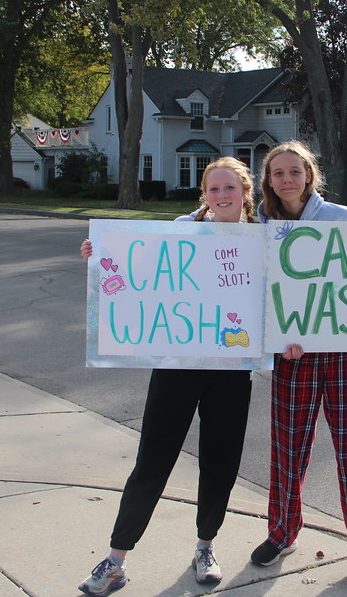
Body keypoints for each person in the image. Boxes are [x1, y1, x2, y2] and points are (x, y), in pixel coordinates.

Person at [77, 157, 257, 596]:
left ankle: (205, 547)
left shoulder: (263, 238)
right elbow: (135, 275)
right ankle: (116, 559)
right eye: (213, 188)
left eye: (229, 187)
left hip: (231, 372)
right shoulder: (181, 230)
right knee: (152, 461)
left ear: (245, 192)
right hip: (176, 367)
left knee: (220, 462)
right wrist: (99, 257)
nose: (221, 196)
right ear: (204, 194)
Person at [249, 140, 347, 590]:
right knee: (288, 450)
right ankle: (282, 532)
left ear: (310, 175)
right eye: (278, 173)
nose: (287, 179)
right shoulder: (260, 225)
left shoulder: (342, 219)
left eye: (295, 171)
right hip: (293, 358)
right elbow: (205, 240)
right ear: (268, 181)